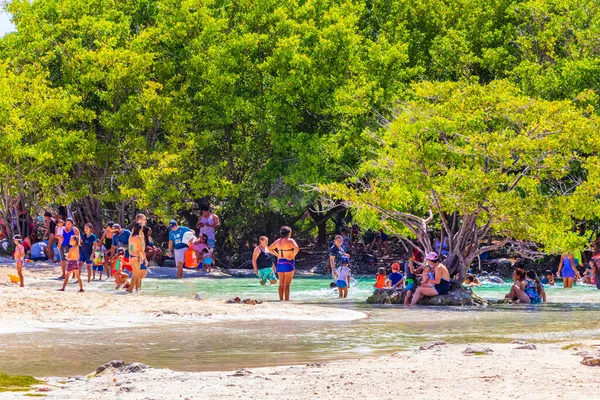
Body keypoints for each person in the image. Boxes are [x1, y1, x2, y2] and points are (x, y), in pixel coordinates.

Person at [268, 226, 299, 301]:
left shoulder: (278, 241)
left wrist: (277, 255)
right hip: (288, 262)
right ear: (289, 233)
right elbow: (297, 248)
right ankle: (287, 300)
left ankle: (281, 300)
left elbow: (269, 248)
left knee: (281, 284)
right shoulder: (290, 240)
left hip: (280, 262)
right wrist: (292, 255)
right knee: (287, 284)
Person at [128, 223, 146, 293]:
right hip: (136, 257)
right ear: (140, 229)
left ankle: (138, 289)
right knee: (135, 275)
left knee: (137, 274)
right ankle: (130, 290)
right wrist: (145, 258)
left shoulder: (131, 237)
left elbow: (130, 248)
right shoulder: (139, 237)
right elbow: (140, 249)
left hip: (131, 256)